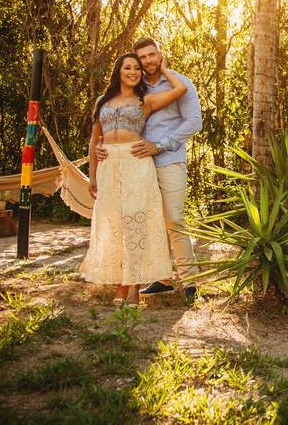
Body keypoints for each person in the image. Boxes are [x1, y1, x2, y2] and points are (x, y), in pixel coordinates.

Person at [97, 37, 203, 303]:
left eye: (151, 55)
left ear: (160, 55)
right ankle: (160, 277)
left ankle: (189, 281)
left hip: (168, 159)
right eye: (142, 57)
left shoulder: (180, 82)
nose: (146, 61)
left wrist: (159, 145)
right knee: (145, 221)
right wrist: (102, 146)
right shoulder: (137, 86)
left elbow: (194, 122)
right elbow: (116, 119)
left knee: (173, 219)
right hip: (137, 163)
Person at [79, 53, 186, 306]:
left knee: (135, 224)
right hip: (108, 166)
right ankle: (121, 282)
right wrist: (92, 175)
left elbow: (180, 89)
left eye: (137, 68)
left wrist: (163, 68)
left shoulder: (144, 100)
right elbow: (95, 140)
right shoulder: (102, 101)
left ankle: (134, 286)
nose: (133, 72)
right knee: (114, 223)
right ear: (118, 71)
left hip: (136, 163)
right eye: (128, 67)